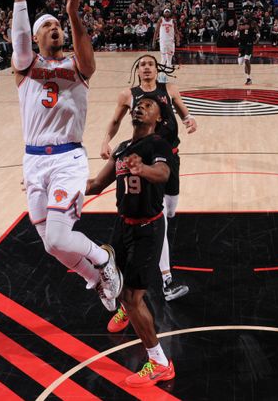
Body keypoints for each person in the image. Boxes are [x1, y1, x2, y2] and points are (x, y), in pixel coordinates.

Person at [0, 0, 122, 311]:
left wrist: (73, 14)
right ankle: (95, 279)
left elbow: (90, 62)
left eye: (57, 26)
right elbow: (19, 44)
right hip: (34, 161)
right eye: (47, 26)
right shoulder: (24, 66)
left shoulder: (76, 67)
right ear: (36, 38)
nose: (54, 29)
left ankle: (103, 257)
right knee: (52, 245)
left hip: (67, 158)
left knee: (57, 235)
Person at [100, 54, 198, 331]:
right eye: (142, 64)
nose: (146, 68)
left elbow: (182, 110)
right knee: (159, 222)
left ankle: (147, 283)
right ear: (137, 70)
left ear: (156, 69)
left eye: (150, 64)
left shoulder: (169, 90)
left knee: (168, 214)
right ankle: (166, 282)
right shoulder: (127, 96)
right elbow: (115, 121)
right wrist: (106, 140)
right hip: (142, 166)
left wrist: (190, 119)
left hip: (169, 160)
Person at [86, 95, 177, 387]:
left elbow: (163, 174)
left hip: (147, 230)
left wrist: (143, 170)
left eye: (149, 106)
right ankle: (126, 308)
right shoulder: (124, 148)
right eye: (139, 105)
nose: (140, 107)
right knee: (118, 282)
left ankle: (160, 362)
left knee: (132, 297)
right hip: (122, 226)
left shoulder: (159, 145)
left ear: (158, 119)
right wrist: (52, 189)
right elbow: (97, 184)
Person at [152, 8, 179, 83]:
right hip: (163, 41)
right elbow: (156, 31)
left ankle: (165, 77)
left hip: (170, 42)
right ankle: (161, 77)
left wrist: (178, 40)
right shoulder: (161, 20)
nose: (167, 13)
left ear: (170, 13)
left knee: (169, 61)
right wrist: (154, 41)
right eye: (165, 12)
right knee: (163, 59)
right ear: (163, 13)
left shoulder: (173, 21)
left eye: (168, 12)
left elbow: (176, 31)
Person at [237, 15, 257, 85]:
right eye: (243, 19)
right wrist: (237, 32)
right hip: (242, 45)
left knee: (246, 60)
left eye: (245, 19)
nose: (244, 20)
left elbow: (257, 31)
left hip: (249, 45)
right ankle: (246, 64)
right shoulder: (240, 25)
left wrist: (256, 40)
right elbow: (237, 31)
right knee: (240, 62)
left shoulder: (252, 24)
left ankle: (249, 79)